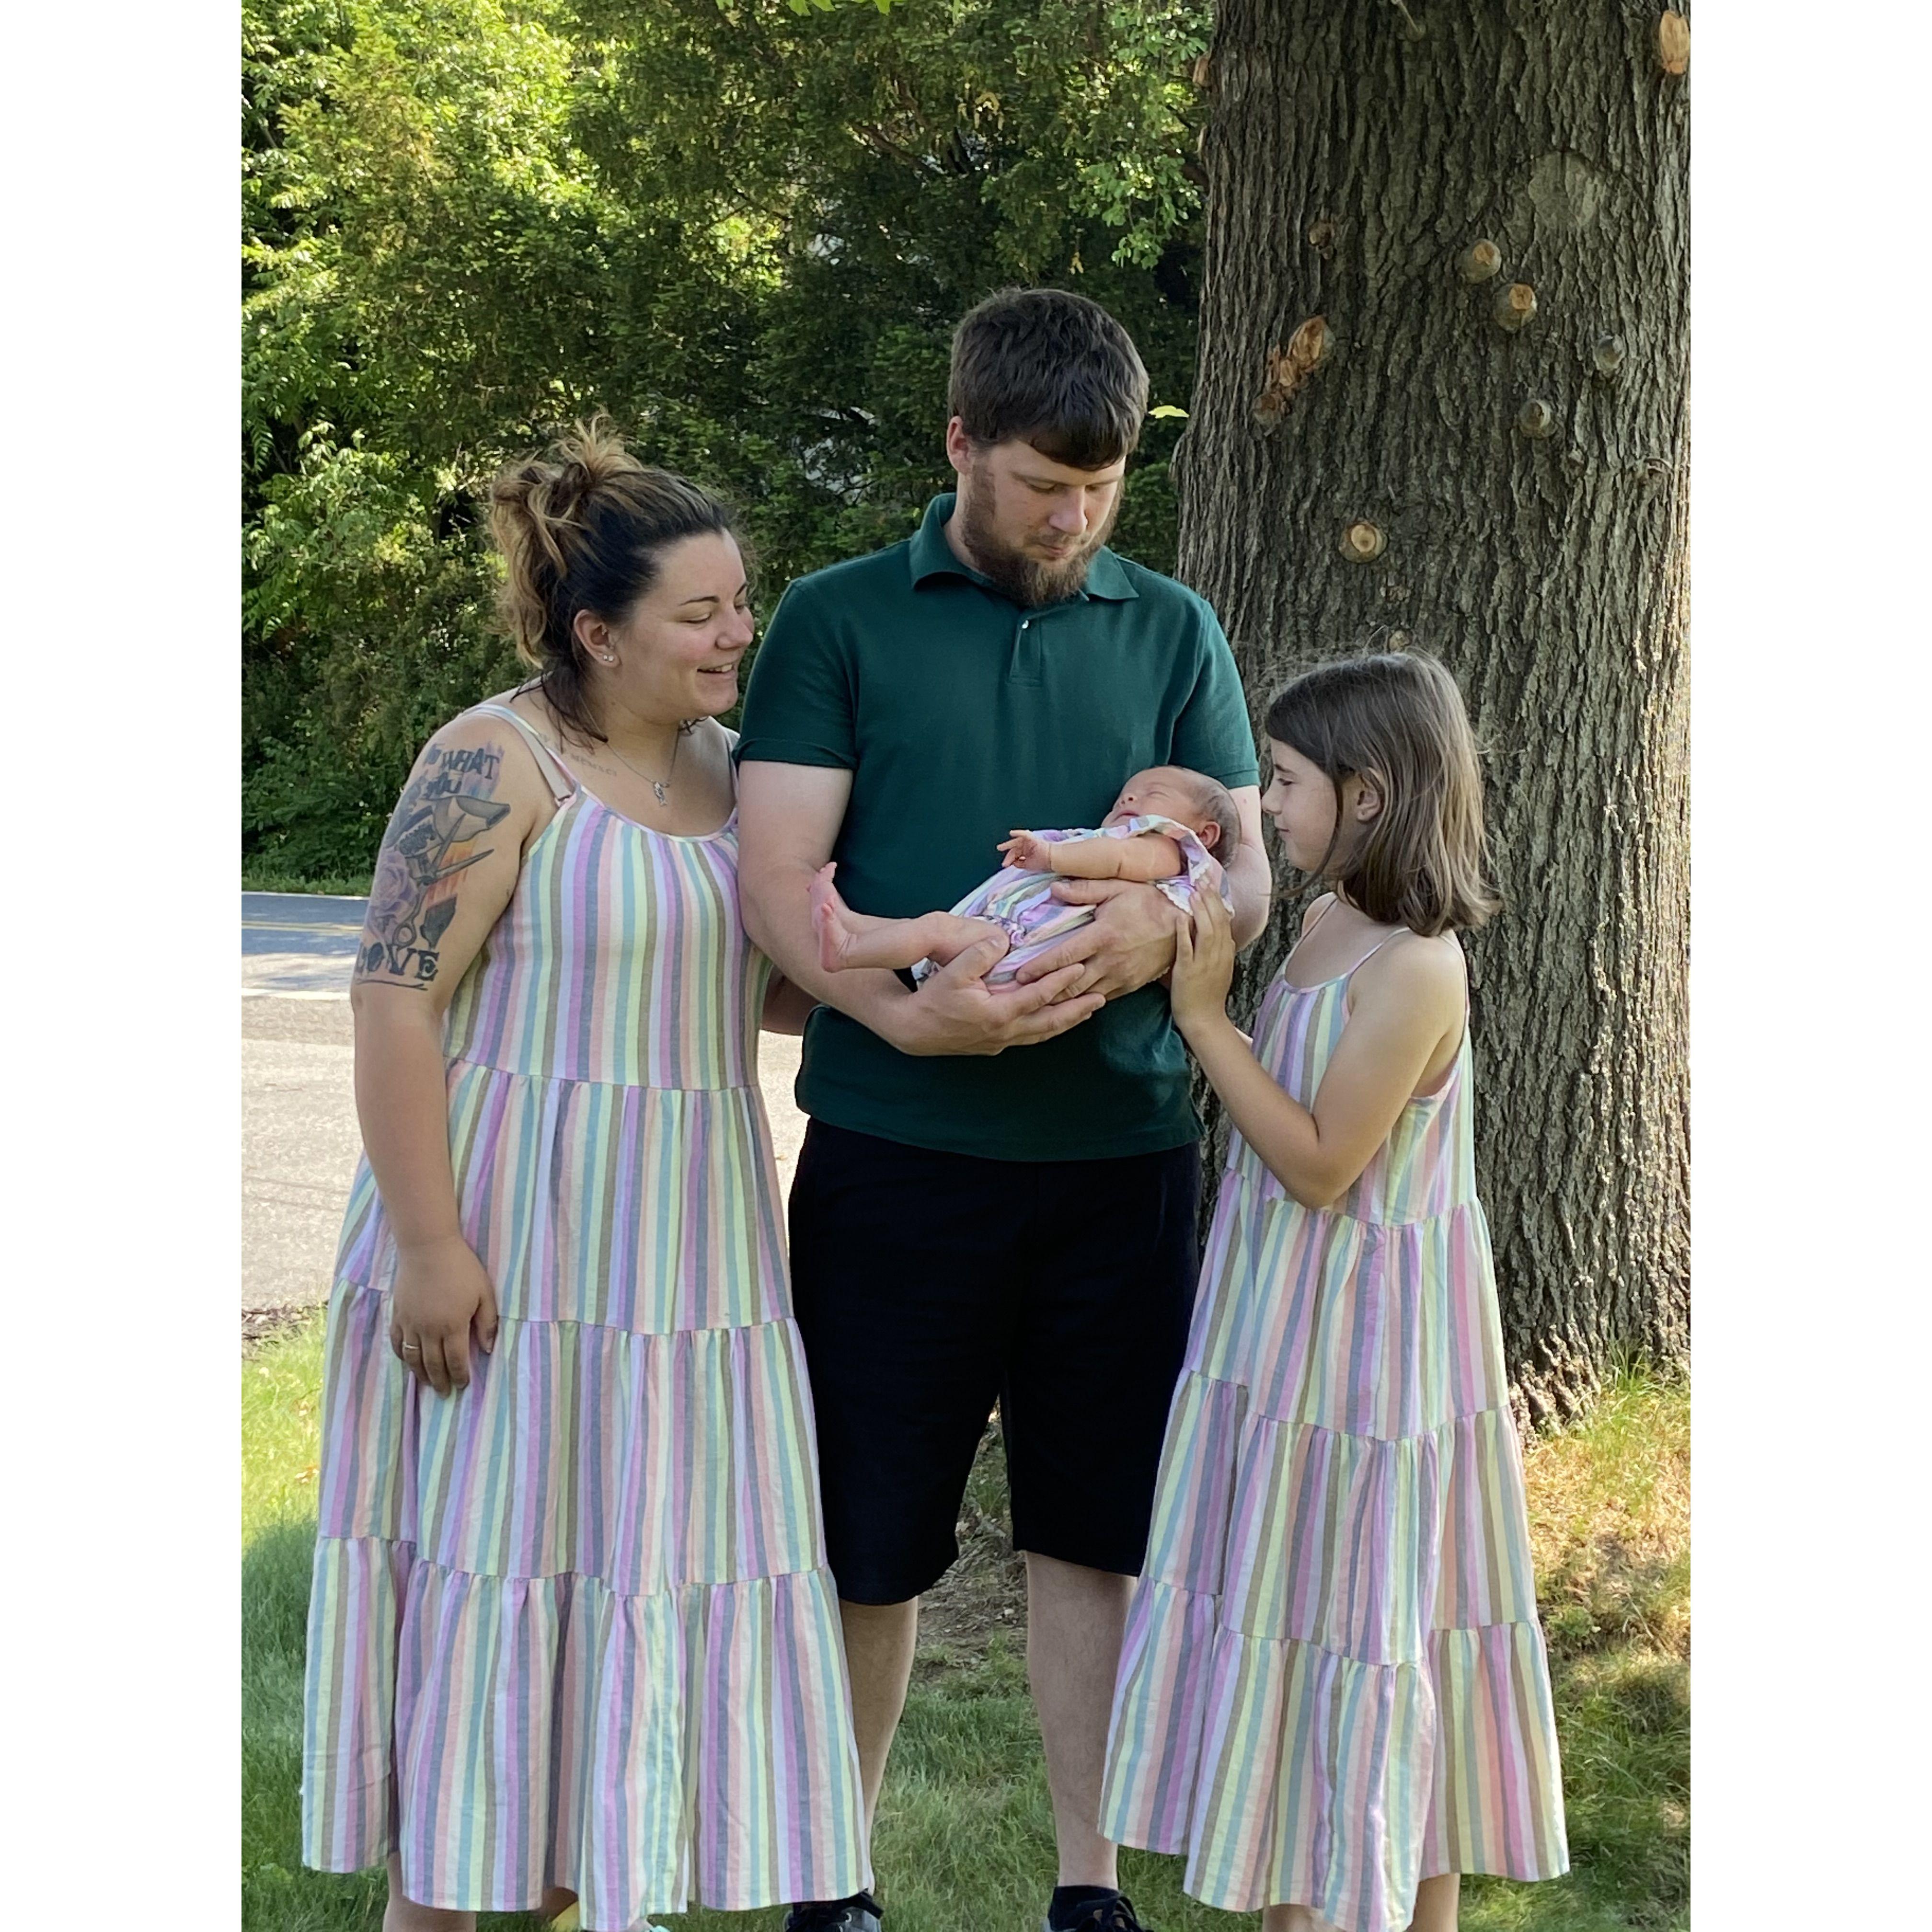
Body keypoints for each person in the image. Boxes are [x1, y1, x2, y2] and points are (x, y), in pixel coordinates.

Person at [735, 287, 1275, 1932]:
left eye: (1100, 490)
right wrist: (913, 1015)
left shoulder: (1174, 629)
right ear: (961, 441)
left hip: (1121, 1164)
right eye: (1043, 484)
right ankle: (835, 1877)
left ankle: (1087, 1887)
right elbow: (781, 890)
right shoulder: (836, 620)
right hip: (897, 1159)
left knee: (1094, 1533)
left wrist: (1163, 931)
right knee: (869, 1533)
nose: (1072, 519)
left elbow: (1249, 876)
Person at [300, 422, 870, 1932]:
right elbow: (394, 999)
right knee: (488, 1619)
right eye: (702, 613)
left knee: (618, 1621)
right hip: (515, 1236)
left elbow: (770, 985)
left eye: (742, 603)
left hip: (689, 1252)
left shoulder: (740, 773)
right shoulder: (494, 760)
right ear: (597, 631)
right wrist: (430, 1246)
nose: (739, 633)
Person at [1099, 653, 1569, 1932]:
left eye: (1287, 782)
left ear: (1367, 795)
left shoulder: (1415, 965)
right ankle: (1297, 1900)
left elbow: (1319, 1165)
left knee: (1374, 1628)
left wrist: (1206, 1019)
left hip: (1366, 1363)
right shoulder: (1325, 926)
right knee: (1295, 1622)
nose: (1270, 804)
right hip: (1283, 1337)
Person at [810, 763, 1239, 984]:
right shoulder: (1113, 838)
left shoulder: (1172, 850)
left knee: (938, 929)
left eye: (1153, 794)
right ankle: (853, 928)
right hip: (1009, 942)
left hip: (1022, 950)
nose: (1128, 798)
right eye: (1125, 795)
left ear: (1204, 833)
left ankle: (848, 951)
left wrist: (1051, 854)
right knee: (933, 928)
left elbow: (1119, 858)